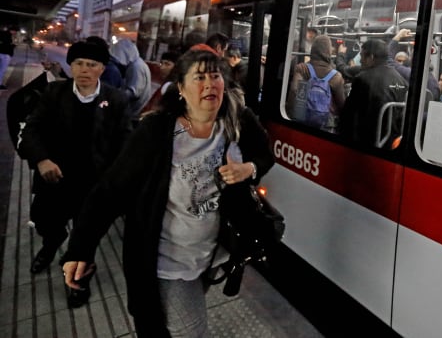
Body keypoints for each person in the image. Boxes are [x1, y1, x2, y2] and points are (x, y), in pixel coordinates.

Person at [61, 46, 275, 336]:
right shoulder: (156, 132)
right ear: (181, 89)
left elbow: (265, 155)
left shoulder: (237, 120)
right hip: (166, 259)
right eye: (199, 78)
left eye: (216, 76)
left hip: (213, 253)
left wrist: (247, 169)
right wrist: (80, 249)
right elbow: (110, 191)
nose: (210, 84)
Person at [17, 40, 132, 307]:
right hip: (54, 179)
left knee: (86, 241)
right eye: (78, 63)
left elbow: (126, 144)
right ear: (71, 65)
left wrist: (116, 182)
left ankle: (78, 284)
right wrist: (42, 159)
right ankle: (53, 241)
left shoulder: (116, 100)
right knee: (45, 221)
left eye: (91, 64)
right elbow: (31, 130)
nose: (84, 69)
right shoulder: (54, 93)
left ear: (102, 68)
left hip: (93, 186)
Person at [339, 39, 407, 148]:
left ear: (371, 57)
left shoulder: (362, 78)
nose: (360, 61)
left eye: (362, 56)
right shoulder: (401, 81)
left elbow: (348, 114)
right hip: (390, 144)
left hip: (365, 142)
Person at [287, 35, 345, 132]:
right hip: (325, 125)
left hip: (302, 121)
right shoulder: (336, 76)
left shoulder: (302, 69)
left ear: (313, 50)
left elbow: (294, 91)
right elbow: (341, 105)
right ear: (329, 52)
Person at [111, 38, 152, 120]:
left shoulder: (136, 67)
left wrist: (115, 97)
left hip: (134, 114)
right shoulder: (137, 64)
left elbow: (133, 92)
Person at [140, 50, 180, 115]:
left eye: (167, 64)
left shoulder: (173, 87)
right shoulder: (165, 83)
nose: (162, 67)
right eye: (161, 63)